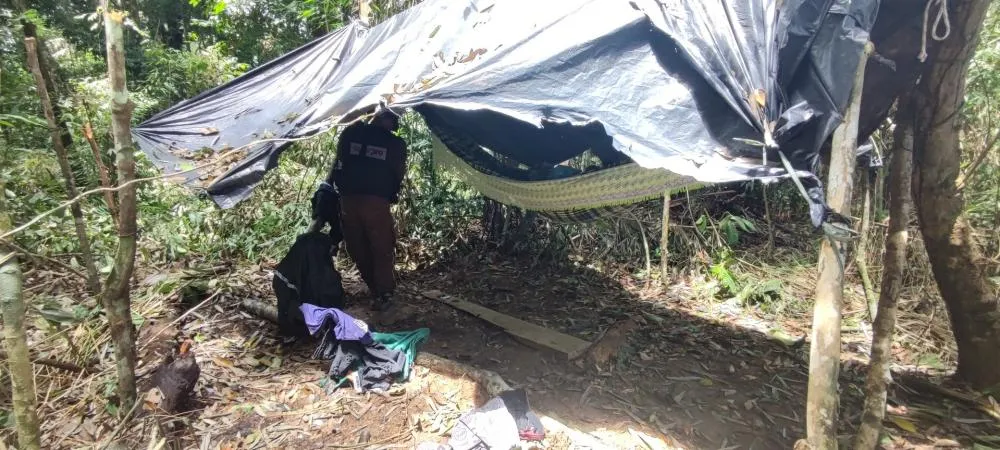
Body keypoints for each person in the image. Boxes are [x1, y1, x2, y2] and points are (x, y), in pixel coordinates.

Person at [321, 109, 408, 315]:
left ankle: (377, 290)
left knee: (357, 246)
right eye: (392, 120)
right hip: (374, 202)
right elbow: (398, 172)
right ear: (386, 119)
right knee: (381, 246)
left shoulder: (351, 133)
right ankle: (384, 293)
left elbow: (339, 161)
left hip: (348, 200)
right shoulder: (395, 144)